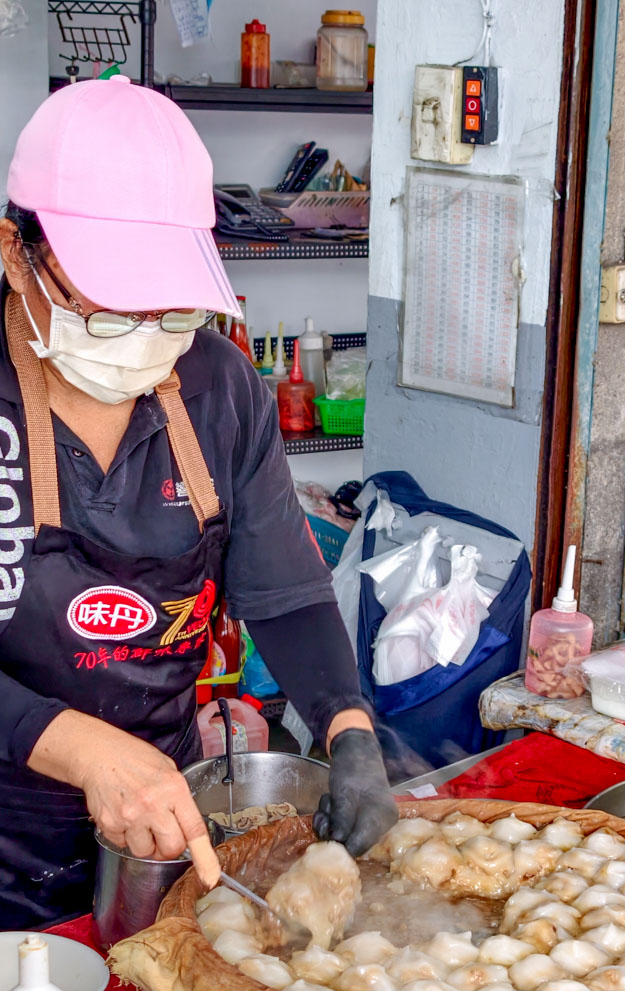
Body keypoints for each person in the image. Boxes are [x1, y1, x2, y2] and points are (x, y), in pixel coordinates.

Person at [0, 76, 397, 929]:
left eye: (169, 304)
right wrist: (81, 745)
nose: (146, 330)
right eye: (110, 306)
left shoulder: (219, 387)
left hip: (160, 829)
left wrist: (346, 725)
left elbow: (285, 593)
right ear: (14, 251)